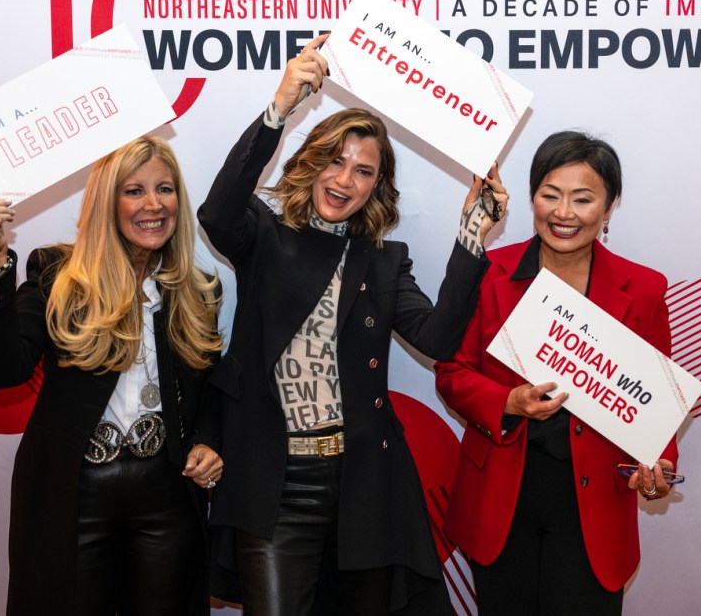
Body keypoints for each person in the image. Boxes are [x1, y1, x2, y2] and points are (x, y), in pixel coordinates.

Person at [197, 32, 508, 616]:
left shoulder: (384, 262)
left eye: (363, 171)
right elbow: (215, 213)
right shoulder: (264, 234)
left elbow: (439, 339)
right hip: (274, 483)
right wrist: (278, 108)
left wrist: (472, 235)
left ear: (376, 188)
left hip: (363, 486)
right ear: (311, 162)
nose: (344, 180)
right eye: (335, 161)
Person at [0, 136, 225, 615]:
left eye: (165, 188)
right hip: (74, 496)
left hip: (166, 495)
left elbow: (212, 390)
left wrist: (207, 440)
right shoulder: (58, 275)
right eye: (134, 191)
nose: (154, 204)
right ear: (106, 201)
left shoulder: (198, 291)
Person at [434, 131, 680, 615]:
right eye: (550, 195)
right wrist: (507, 402)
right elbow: (451, 372)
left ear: (608, 210)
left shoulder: (644, 290)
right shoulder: (487, 273)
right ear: (532, 200)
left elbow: (654, 405)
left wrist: (660, 463)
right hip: (503, 497)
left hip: (594, 503)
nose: (563, 212)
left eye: (583, 199)